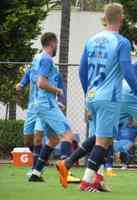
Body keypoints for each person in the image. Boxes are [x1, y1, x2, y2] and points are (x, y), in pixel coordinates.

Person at [56, 3, 137, 192]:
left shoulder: (92, 40)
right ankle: (87, 182)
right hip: (109, 97)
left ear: (105, 19)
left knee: (102, 137)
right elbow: (128, 72)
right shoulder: (121, 42)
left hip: (93, 95)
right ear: (121, 19)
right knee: (103, 142)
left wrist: (87, 94)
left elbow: (82, 70)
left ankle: (77, 168)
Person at [27, 32, 76, 183]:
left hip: (39, 104)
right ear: (52, 43)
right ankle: (66, 172)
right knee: (68, 136)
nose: (57, 47)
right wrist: (58, 91)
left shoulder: (37, 57)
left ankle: (36, 172)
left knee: (53, 139)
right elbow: (41, 83)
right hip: (47, 103)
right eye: (56, 44)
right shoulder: (47, 59)